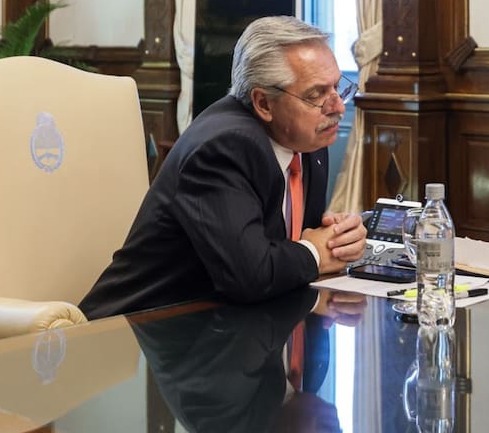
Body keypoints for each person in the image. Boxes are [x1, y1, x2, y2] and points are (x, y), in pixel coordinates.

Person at [80, 16, 366, 318]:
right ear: (263, 104)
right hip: (135, 336)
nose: (337, 107)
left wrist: (337, 242)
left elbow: (296, 247)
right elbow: (250, 276)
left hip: (234, 331)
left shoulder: (308, 142)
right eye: (316, 95)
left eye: (337, 87)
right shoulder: (222, 148)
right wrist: (315, 253)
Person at [131, 287, 363, 433]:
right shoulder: (312, 379)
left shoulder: (225, 409)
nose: (336, 425)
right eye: (339, 430)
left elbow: (252, 320)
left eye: (327, 430)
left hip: (156, 309)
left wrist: (315, 299)